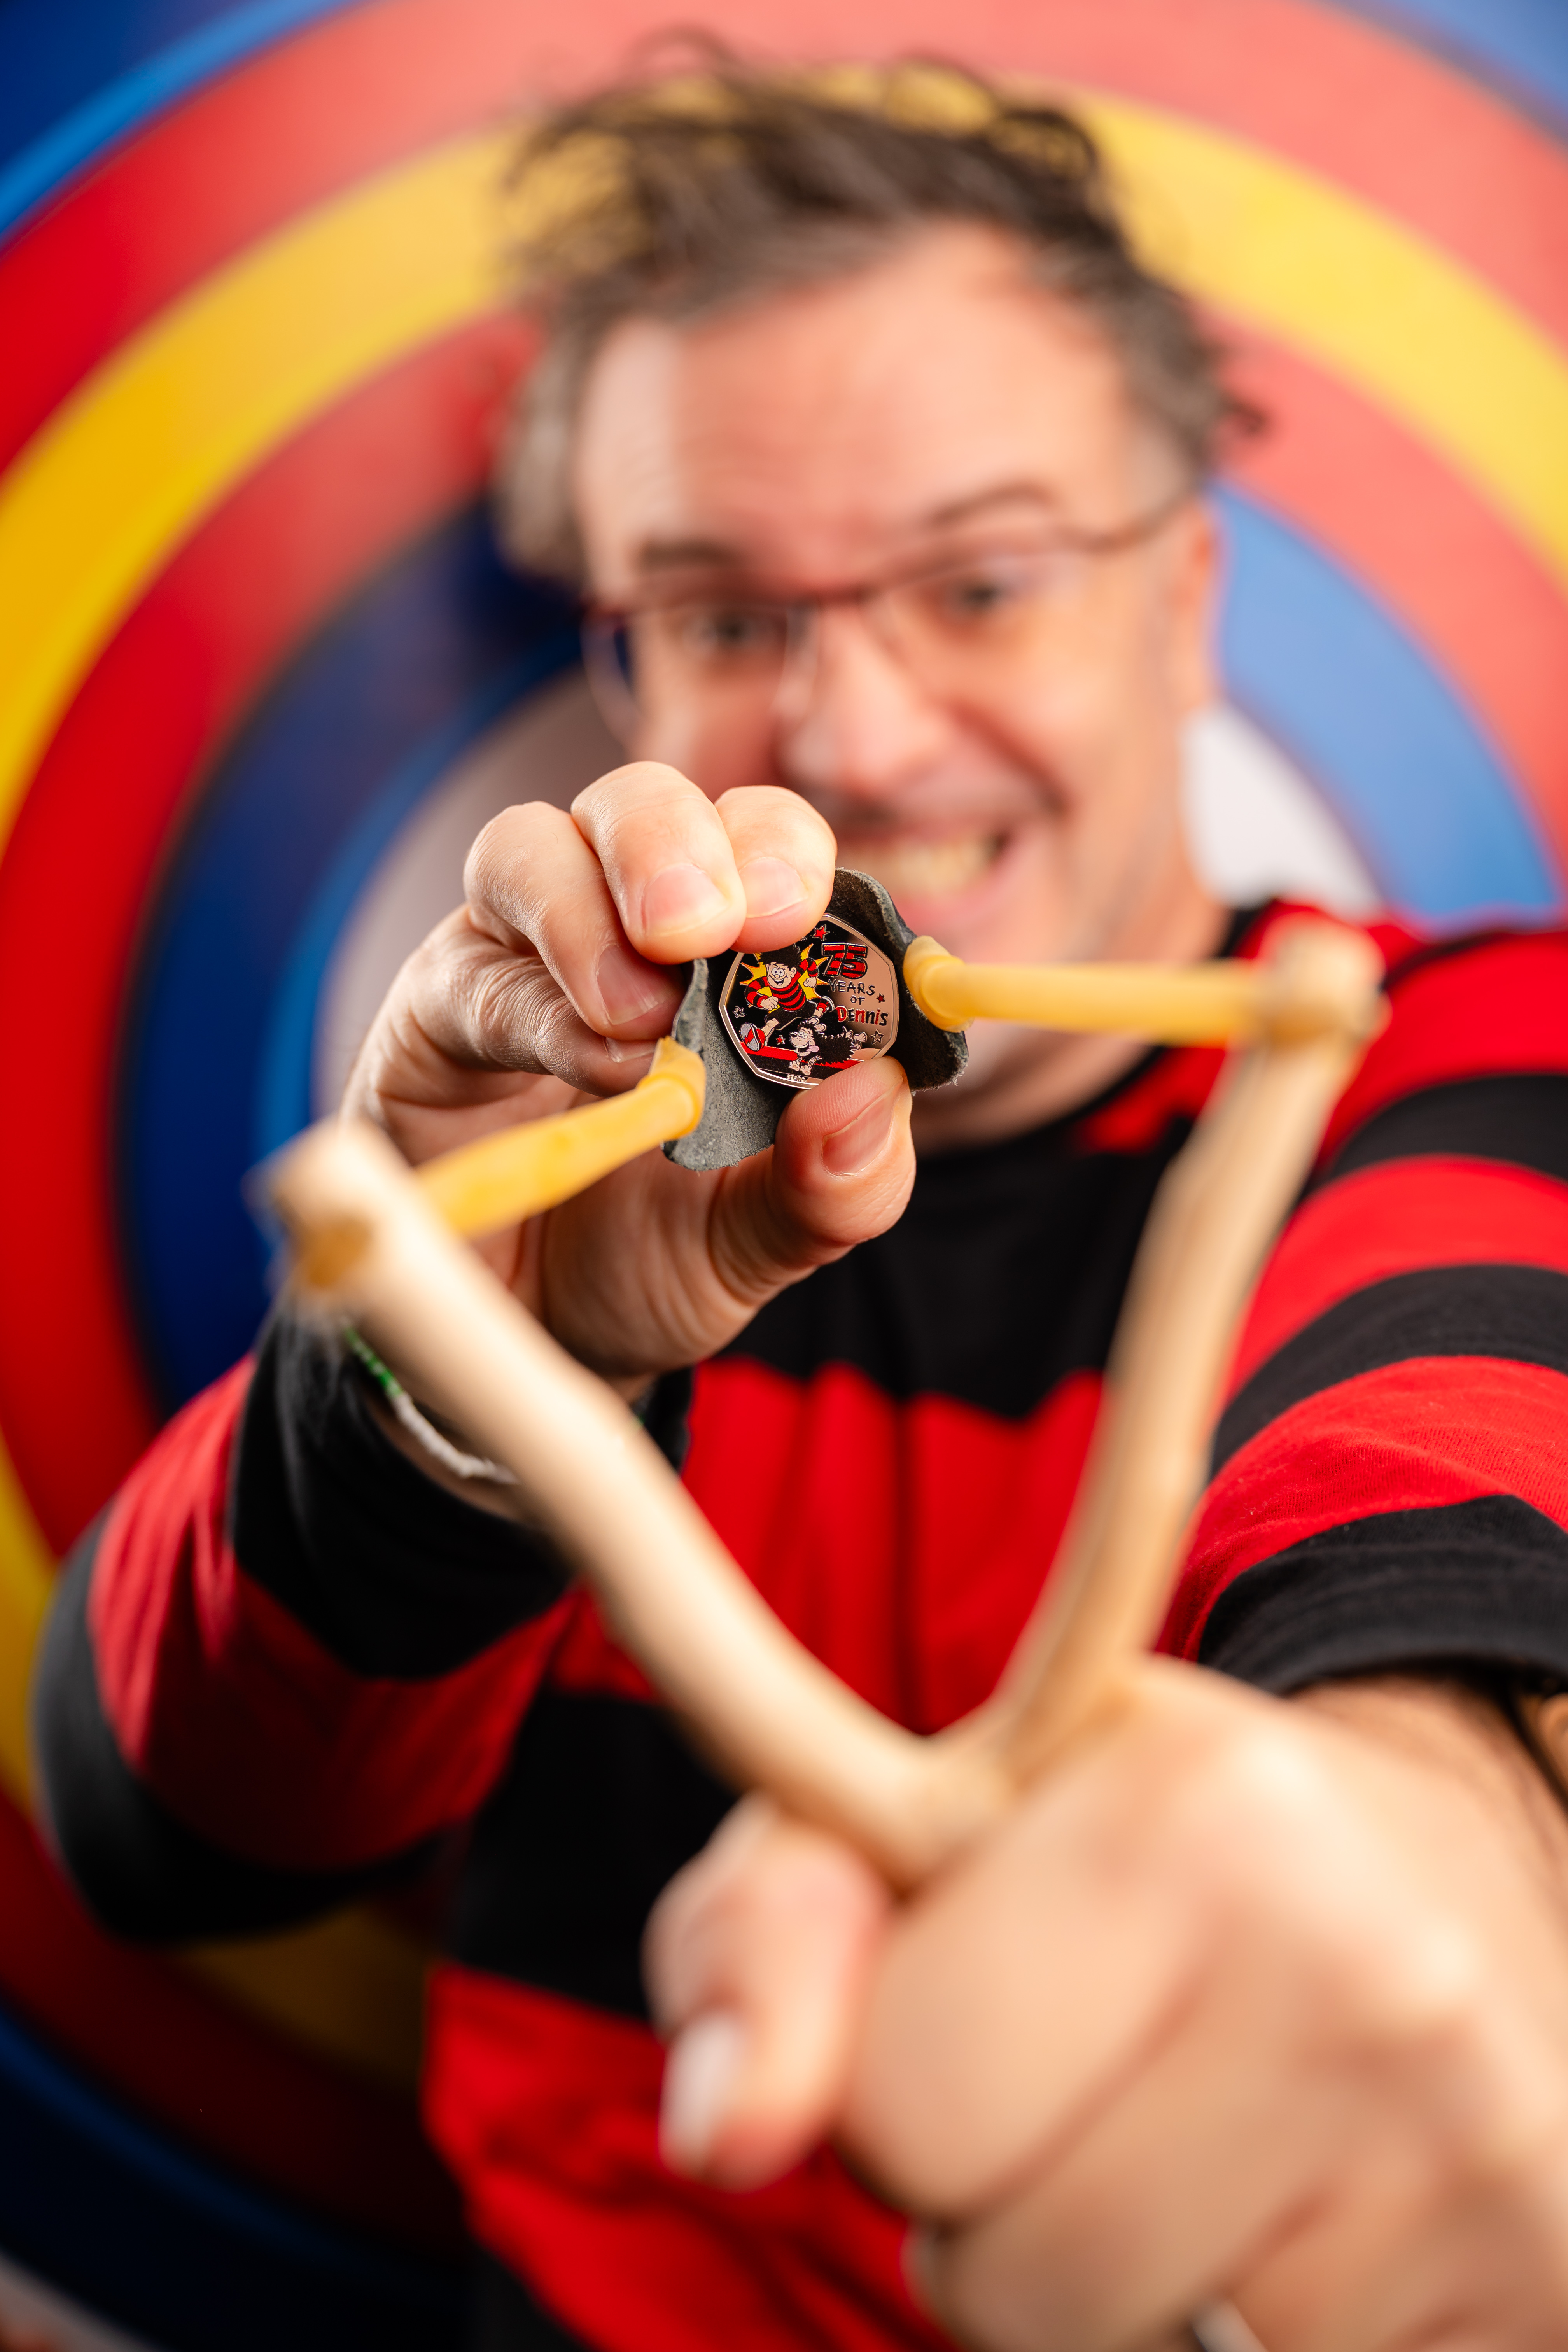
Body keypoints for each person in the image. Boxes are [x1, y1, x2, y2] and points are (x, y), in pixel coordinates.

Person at [31, 58, 1568, 2352]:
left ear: (1185, 591)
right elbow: (168, 1835)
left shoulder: (1453, 1051)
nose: (849, 734)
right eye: (724, 610)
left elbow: (1458, 1465)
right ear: (621, 656)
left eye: (980, 577)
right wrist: (469, 1378)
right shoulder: (578, 1166)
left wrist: (1453, 1826)